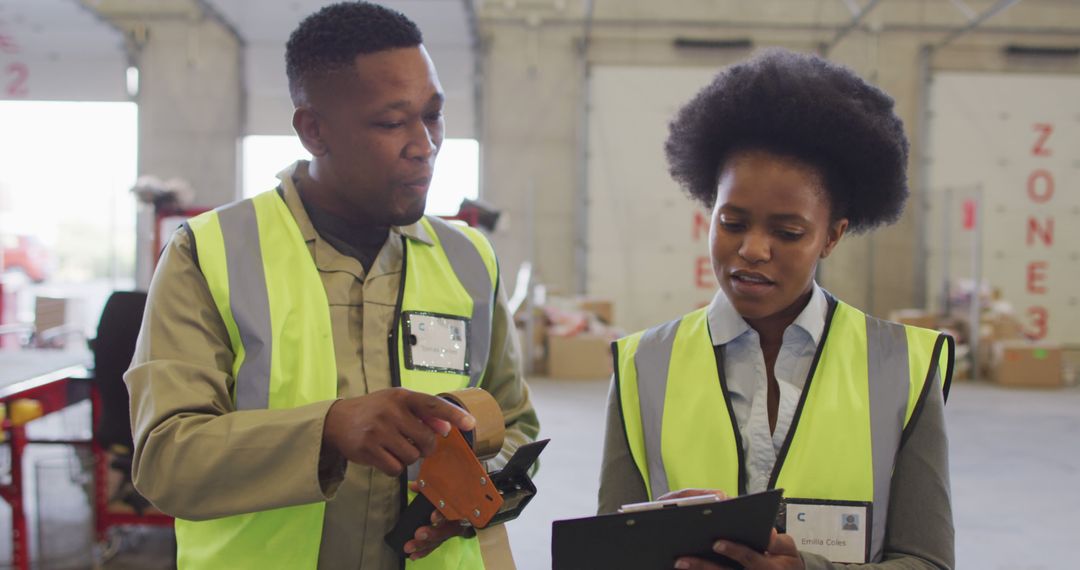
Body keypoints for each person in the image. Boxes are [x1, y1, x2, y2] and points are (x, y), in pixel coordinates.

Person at [125, 3, 539, 569]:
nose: (424, 144)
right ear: (314, 130)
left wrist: (474, 495)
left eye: (433, 116)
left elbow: (511, 422)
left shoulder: (468, 259)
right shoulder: (212, 253)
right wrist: (325, 431)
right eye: (392, 123)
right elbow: (165, 461)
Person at [598, 49, 954, 570]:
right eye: (732, 222)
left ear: (832, 236)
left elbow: (929, 563)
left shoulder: (904, 366)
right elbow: (608, 555)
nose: (754, 250)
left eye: (788, 233)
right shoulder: (641, 366)